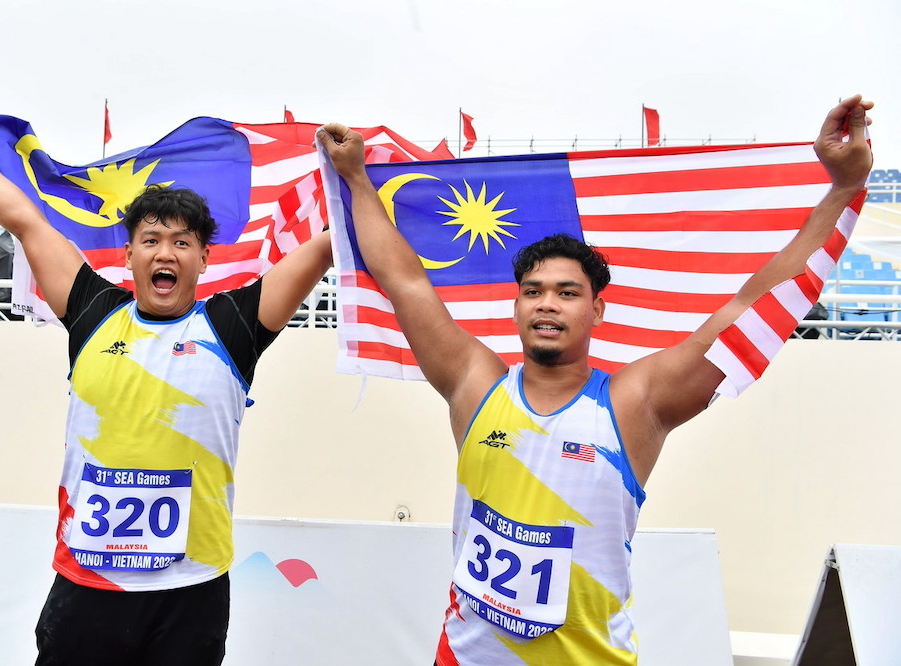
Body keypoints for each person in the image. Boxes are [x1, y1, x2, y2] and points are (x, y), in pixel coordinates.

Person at [318, 95, 873, 665]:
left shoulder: (635, 403)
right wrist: (358, 178)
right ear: (515, 308)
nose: (546, 305)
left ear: (597, 312)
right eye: (532, 291)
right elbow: (403, 279)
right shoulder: (474, 383)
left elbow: (747, 309)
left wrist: (841, 189)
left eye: (567, 292)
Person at [0, 114, 334, 666]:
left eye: (181, 242)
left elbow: (323, 249)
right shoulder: (92, 310)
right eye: (150, 240)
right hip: (87, 586)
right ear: (129, 256)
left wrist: (356, 183)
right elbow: (26, 223)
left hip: (190, 593)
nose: (164, 253)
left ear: (204, 259)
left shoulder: (233, 325)